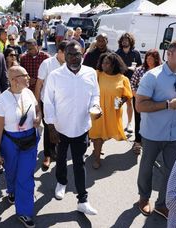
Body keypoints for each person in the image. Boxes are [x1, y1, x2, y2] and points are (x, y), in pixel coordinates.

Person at [135, 39, 176, 219]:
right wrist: (169, 105)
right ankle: (144, 198)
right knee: (147, 168)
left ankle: (162, 204)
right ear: (169, 55)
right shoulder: (152, 76)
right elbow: (140, 106)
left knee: (173, 171)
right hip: (153, 133)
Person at [43, 40, 100, 215]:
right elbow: (48, 101)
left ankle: (82, 199)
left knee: (79, 162)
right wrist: (51, 127)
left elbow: (95, 94)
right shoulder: (55, 75)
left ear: (82, 53)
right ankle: (61, 182)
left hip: (82, 127)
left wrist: (95, 107)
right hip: (60, 127)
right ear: (64, 56)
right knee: (60, 158)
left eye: (77, 54)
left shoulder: (90, 73)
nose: (74, 58)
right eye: (70, 54)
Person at [0, 65, 41, 228]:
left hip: (29, 140)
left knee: (25, 177)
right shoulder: (1, 101)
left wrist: (38, 118)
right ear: (14, 80)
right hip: (10, 142)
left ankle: (24, 212)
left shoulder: (29, 93)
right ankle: (11, 191)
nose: (28, 77)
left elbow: (37, 110)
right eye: (24, 75)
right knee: (11, 172)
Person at [89, 52, 133, 169]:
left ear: (114, 65)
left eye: (107, 63)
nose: (104, 65)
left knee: (106, 135)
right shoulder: (97, 74)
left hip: (112, 112)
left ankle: (97, 149)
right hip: (97, 111)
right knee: (97, 135)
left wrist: (119, 103)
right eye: (103, 62)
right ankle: (97, 158)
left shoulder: (122, 79)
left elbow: (127, 95)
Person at [35, 40, 67, 171]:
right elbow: (39, 84)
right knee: (49, 128)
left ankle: (57, 153)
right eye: (67, 53)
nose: (70, 56)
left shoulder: (71, 65)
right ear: (59, 52)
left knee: (60, 128)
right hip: (47, 102)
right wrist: (37, 105)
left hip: (64, 103)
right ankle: (47, 155)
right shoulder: (47, 63)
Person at [130, 49, 162, 154]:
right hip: (139, 99)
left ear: (156, 59)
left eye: (151, 58)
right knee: (138, 120)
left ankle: (150, 143)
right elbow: (132, 84)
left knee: (152, 121)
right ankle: (138, 142)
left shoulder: (161, 71)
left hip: (155, 101)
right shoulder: (140, 70)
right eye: (147, 58)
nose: (148, 60)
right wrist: (137, 96)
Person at [116, 33, 142, 133]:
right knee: (117, 103)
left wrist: (135, 69)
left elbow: (140, 67)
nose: (124, 42)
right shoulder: (118, 52)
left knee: (130, 102)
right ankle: (116, 123)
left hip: (132, 82)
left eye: (126, 40)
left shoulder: (136, 53)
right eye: (123, 40)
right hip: (120, 81)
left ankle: (129, 123)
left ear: (130, 41)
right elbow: (115, 67)